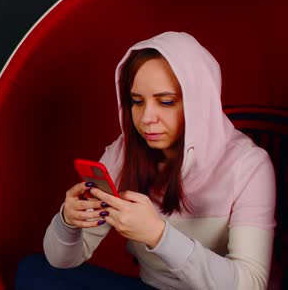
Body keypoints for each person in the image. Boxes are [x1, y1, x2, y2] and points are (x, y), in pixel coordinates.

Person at [15, 31, 276, 289]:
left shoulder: (249, 165)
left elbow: (249, 284)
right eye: (137, 101)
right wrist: (68, 222)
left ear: (200, 102)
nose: (146, 118)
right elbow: (62, 261)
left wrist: (159, 235)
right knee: (34, 270)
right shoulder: (123, 153)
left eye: (166, 102)